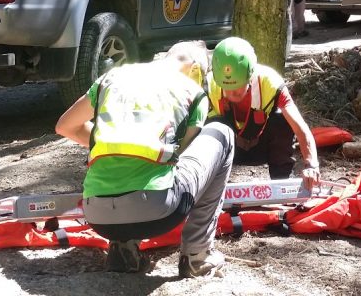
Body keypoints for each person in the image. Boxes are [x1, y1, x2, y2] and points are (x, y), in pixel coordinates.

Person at [55, 41, 234, 279]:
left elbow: (65, 126)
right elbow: (182, 156)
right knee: (224, 134)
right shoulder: (194, 94)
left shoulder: (112, 77)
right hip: (157, 213)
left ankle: (122, 250)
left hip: (98, 216)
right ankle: (197, 256)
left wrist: (116, 146)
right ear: (195, 70)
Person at [207, 36, 320, 189]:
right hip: (227, 152)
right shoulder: (208, 86)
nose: (233, 93)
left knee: (282, 120)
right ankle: (210, 186)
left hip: (262, 147)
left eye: (238, 86)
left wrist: (311, 165)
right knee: (209, 126)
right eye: (226, 87)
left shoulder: (270, 83)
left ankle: (280, 182)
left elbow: (300, 127)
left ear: (250, 75)